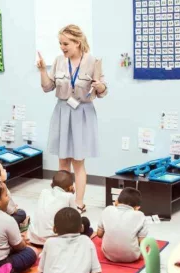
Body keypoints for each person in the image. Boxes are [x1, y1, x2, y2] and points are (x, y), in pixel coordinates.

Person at [37, 24, 108, 213]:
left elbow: (102, 92)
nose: (62, 47)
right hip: (62, 111)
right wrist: (43, 70)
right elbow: (47, 87)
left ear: (77, 42)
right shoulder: (59, 60)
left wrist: (99, 85)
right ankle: (62, 202)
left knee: (78, 162)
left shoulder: (93, 61)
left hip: (82, 113)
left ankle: (78, 203)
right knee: (62, 162)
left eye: (66, 43)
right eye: (60, 43)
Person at [32, 207, 115, 273]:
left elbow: (43, 272)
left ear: (54, 229)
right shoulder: (87, 241)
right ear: (81, 228)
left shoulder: (49, 243)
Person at [28, 170, 93, 246]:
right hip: (55, 241)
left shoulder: (44, 192)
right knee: (85, 221)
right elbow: (76, 218)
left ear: (51, 184)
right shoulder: (69, 196)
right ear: (70, 187)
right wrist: (71, 194)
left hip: (34, 238)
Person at [97, 187, 148, 263]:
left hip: (108, 254)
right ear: (137, 207)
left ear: (116, 201)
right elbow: (142, 243)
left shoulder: (108, 209)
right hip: (132, 256)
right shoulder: (140, 215)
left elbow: (99, 234)